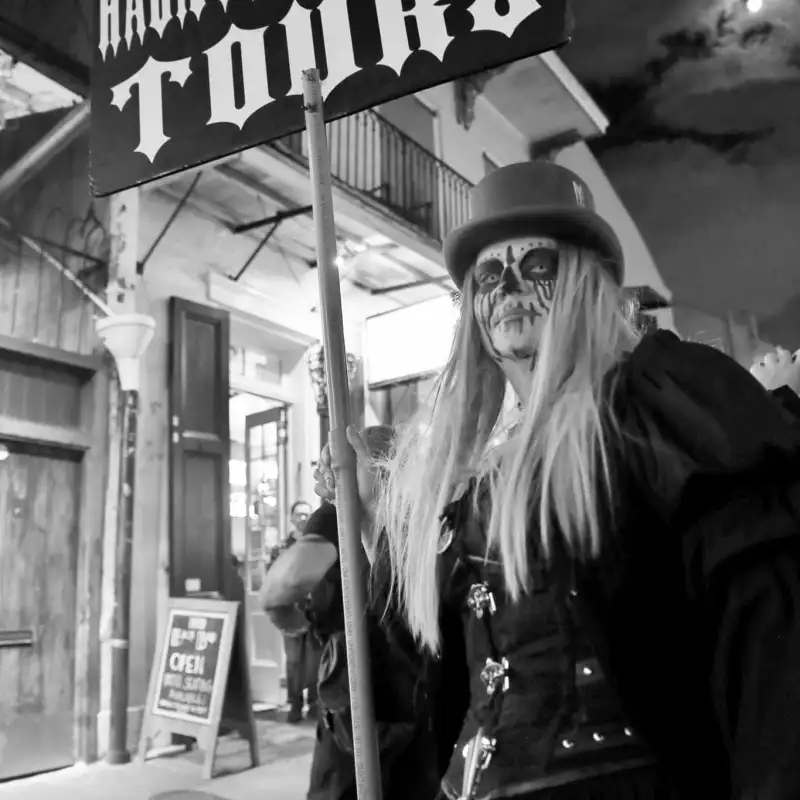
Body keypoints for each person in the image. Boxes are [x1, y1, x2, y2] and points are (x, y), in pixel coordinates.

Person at [315, 161, 800, 800]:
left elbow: (769, 641)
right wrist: (379, 532)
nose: (510, 285)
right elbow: (416, 679)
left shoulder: (654, 406)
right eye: (489, 274)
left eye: (536, 265)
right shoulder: (464, 474)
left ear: (580, 281)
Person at [262, 426, 446, 800]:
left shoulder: (346, 511)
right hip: (413, 704)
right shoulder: (428, 516)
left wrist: (297, 623)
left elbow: (285, 584)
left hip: (367, 701)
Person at [267, 499, 321, 723]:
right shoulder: (281, 549)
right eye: (299, 514)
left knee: (314, 662)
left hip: (315, 612)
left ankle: (315, 705)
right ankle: (295, 705)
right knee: (293, 662)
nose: (303, 518)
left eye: (307, 514)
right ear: (291, 518)